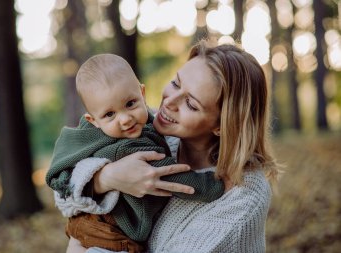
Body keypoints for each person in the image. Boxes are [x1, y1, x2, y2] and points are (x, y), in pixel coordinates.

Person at [56, 41, 280, 253]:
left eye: (190, 104)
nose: (169, 102)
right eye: (176, 83)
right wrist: (106, 178)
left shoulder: (243, 194)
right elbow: (62, 192)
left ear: (223, 125)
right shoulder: (147, 131)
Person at [45, 54, 225, 252]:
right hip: (108, 233)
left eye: (130, 104)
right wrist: (214, 185)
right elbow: (170, 175)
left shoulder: (152, 123)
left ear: (142, 93)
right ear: (93, 121)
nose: (125, 119)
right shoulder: (129, 146)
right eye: (109, 114)